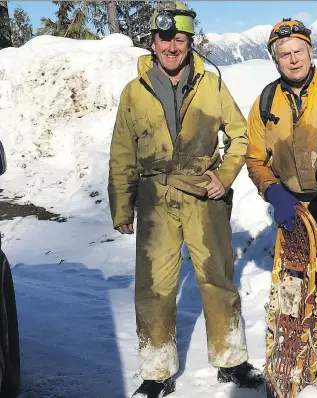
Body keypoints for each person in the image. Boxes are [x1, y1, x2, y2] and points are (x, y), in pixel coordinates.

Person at [108, 2, 263, 397]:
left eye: (180, 38)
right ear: (152, 43)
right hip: (155, 197)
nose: (172, 46)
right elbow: (122, 152)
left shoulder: (211, 85)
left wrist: (224, 176)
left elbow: (240, 136)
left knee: (218, 280)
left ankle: (231, 360)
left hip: (203, 196)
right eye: (165, 38)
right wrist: (122, 206)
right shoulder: (133, 92)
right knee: (154, 286)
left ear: (190, 42)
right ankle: (157, 371)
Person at [246, 18, 317, 382]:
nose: (293, 59)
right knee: (305, 290)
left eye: (298, 51)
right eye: (284, 54)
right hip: (296, 211)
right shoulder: (266, 102)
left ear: (311, 50)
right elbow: (255, 158)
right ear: (275, 60)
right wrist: (273, 191)